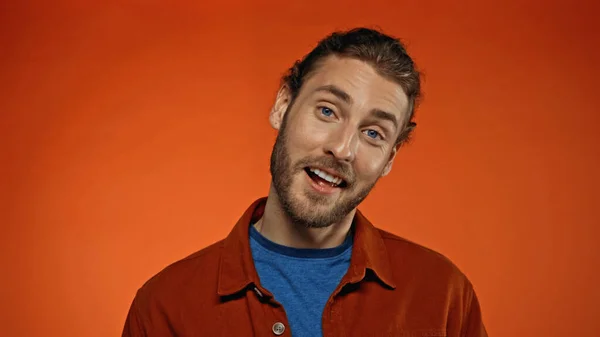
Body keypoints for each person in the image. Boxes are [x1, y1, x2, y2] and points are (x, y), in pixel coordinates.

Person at [121, 27, 488, 337]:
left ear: (389, 158)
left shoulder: (444, 295)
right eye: (327, 111)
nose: (343, 149)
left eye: (374, 133)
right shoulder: (165, 305)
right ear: (283, 106)